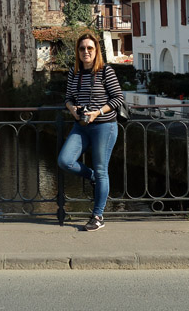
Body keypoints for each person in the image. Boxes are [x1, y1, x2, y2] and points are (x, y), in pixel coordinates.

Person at [57, 29, 125, 231]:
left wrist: (97, 112)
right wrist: (73, 110)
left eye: (89, 48)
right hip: (82, 125)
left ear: (96, 51)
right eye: (82, 48)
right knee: (64, 160)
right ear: (77, 52)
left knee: (102, 169)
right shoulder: (74, 73)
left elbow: (118, 99)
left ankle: (97, 216)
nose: (85, 51)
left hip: (104, 125)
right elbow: (68, 98)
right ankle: (93, 177)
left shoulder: (106, 71)